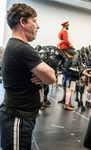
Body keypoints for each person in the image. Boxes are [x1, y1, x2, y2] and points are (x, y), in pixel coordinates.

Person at [0, 3, 56, 149]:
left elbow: (47, 77)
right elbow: (51, 77)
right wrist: (45, 76)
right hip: (18, 118)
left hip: (22, 117)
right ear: (22, 22)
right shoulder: (21, 48)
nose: (38, 26)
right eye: (34, 21)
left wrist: (43, 77)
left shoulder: (16, 46)